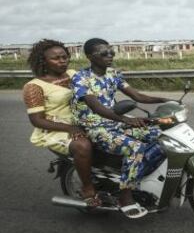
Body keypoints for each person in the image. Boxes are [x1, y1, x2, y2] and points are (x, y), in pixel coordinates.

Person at [71, 38, 171, 218]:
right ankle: (125, 195)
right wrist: (125, 119)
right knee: (135, 147)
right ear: (89, 56)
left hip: (115, 122)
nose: (109, 56)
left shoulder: (114, 74)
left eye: (111, 52)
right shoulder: (81, 78)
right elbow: (96, 107)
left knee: (159, 134)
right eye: (103, 53)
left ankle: (136, 175)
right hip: (95, 127)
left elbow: (137, 96)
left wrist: (166, 101)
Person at [23, 39, 101, 207]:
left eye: (64, 57)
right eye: (56, 58)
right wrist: (70, 128)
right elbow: (37, 120)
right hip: (56, 129)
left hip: (82, 121)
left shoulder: (73, 74)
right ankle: (88, 189)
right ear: (43, 61)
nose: (62, 61)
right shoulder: (34, 87)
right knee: (82, 146)